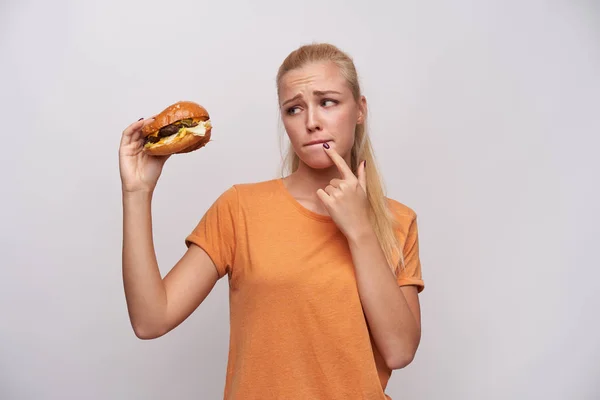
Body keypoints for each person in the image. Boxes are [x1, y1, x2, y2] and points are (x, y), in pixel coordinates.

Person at [119, 42, 425, 400]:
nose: (312, 122)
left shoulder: (398, 221)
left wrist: (359, 230)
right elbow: (150, 320)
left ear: (359, 110)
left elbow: (400, 351)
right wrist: (137, 193)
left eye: (328, 102)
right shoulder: (241, 209)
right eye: (294, 109)